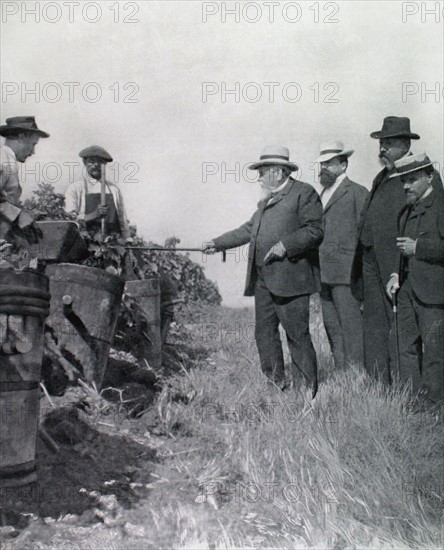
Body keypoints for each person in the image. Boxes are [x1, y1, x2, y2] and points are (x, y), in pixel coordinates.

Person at [204, 146, 323, 397]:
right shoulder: (265, 202)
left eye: (262, 172)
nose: (258, 177)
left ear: (278, 172)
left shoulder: (304, 194)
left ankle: (307, 392)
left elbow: (315, 230)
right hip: (264, 280)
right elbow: (247, 230)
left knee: (296, 334)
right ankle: (275, 384)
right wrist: (216, 243)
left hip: (292, 279)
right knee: (264, 333)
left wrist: (285, 246)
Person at [351, 116, 420, 383]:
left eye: (388, 144)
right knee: (374, 325)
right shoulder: (382, 176)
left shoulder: (418, 172)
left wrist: (401, 265)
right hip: (370, 260)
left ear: (404, 144)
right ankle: (379, 385)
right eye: (381, 143)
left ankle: (409, 391)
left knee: (401, 328)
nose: (382, 149)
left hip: (398, 263)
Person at [387, 153, 444, 405]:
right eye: (403, 181)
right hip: (408, 290)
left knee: (434, 353)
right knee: (401, 346)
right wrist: (396, 274)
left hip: (434, 294)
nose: (406, 186)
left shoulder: (441, 205)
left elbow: (414, 247)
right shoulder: (406, 211)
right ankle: (410, 402)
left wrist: (418, 248)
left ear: (429, 176)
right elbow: (402, 249)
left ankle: (433, 408)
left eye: (412, 179)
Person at [317, 141, 368, 368]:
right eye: (322, 164)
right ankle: (341, 374)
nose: (324, 168)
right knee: (332, 327)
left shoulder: (357, 192)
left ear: (343, 165)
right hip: (323, 272)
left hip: (347, 272)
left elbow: (365, 234)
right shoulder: (322, 193)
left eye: (329, 163)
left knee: (351, 326)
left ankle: (356, 376)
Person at [0, 116, 49, 243]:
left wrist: (25, 212)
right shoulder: (2, 159)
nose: (33, 152)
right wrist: (18, 215)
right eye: (33, 144)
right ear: (21, 137)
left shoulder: (8, 160)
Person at [64, 145, 131, 240]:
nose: (96, 165)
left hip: (112, 243)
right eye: (92, 161)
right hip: (85, 243)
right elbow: (70, 220)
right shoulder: (75, 188)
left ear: (105, 164)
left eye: (100, 161)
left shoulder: (114, 189)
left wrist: (127, 239)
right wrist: (94, 215)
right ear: (85, 162)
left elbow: (122, 221)